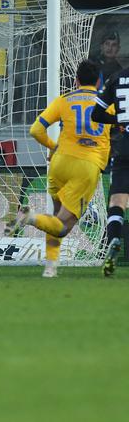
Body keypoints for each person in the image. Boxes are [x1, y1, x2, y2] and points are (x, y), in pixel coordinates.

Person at [9, 61, 112, 278]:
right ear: (98, 82)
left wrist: (54, 147)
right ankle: (30, 218)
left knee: (56, 219)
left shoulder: (64, 100)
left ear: (76, 81)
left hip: (59, 164)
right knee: (62, 226)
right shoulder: (107, 103)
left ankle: (50, 268)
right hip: (86, 166)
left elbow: (36, 130)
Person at [92, 52, 129, 276]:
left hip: (124, 147)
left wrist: (120, 120)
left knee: (117, 201)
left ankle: (114, 239)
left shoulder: (116, 78)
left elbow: (96, 114)